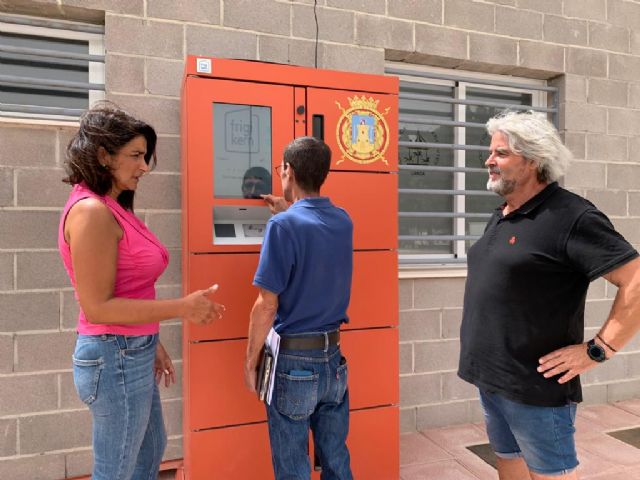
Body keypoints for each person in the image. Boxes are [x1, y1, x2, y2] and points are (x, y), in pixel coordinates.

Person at [458, 110, 640, 480]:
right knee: (508, 460)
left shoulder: (571, 216)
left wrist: (598, 350)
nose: (489, 161)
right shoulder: (506, 212)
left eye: (501, 154)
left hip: (536, 389)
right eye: (491, 152)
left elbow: (636, 278)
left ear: (534, 160)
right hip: (493, 380)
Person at [58, 103, 224, 480]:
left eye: (144, 156)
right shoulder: (91, 213)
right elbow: (98, 307)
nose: (144, 166)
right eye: (135, 155)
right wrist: (182, 307)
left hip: (131, 350)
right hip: (112, 356)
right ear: (103, 155)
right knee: (116, 470)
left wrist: (153, 342)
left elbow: (130, 289)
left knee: (149, 452)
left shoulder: (114, 207)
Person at [243, 136, 354, 480]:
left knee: (293, 467)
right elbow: (312, 227)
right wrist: (287, 209)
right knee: (336, 460)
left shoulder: (282, 226)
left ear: (288, 170)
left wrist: (251, 360)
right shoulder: (343, 220)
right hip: (334, 361)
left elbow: (266, 306)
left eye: (280, 169)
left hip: (293, 366)